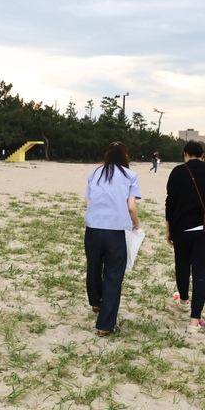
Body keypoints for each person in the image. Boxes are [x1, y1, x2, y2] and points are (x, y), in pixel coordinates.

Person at [165, 141, 205, 333]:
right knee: (201, 274)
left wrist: (168, 229)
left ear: (185, 154)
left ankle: (183, 299)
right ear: (203, 155)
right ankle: (194, 321)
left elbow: (170, 203)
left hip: (181, 228)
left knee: (182, 264)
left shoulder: (177, 172)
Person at [84, 142, 141, 336]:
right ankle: (105, 325)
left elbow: (88, 201)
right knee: (113, 275)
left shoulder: (95, 173)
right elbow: (131, 206)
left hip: (93, 228)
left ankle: (95, 302)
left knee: (93, 267)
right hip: (115, 231)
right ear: (125, 156)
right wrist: (136, 224)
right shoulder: (130, 176)